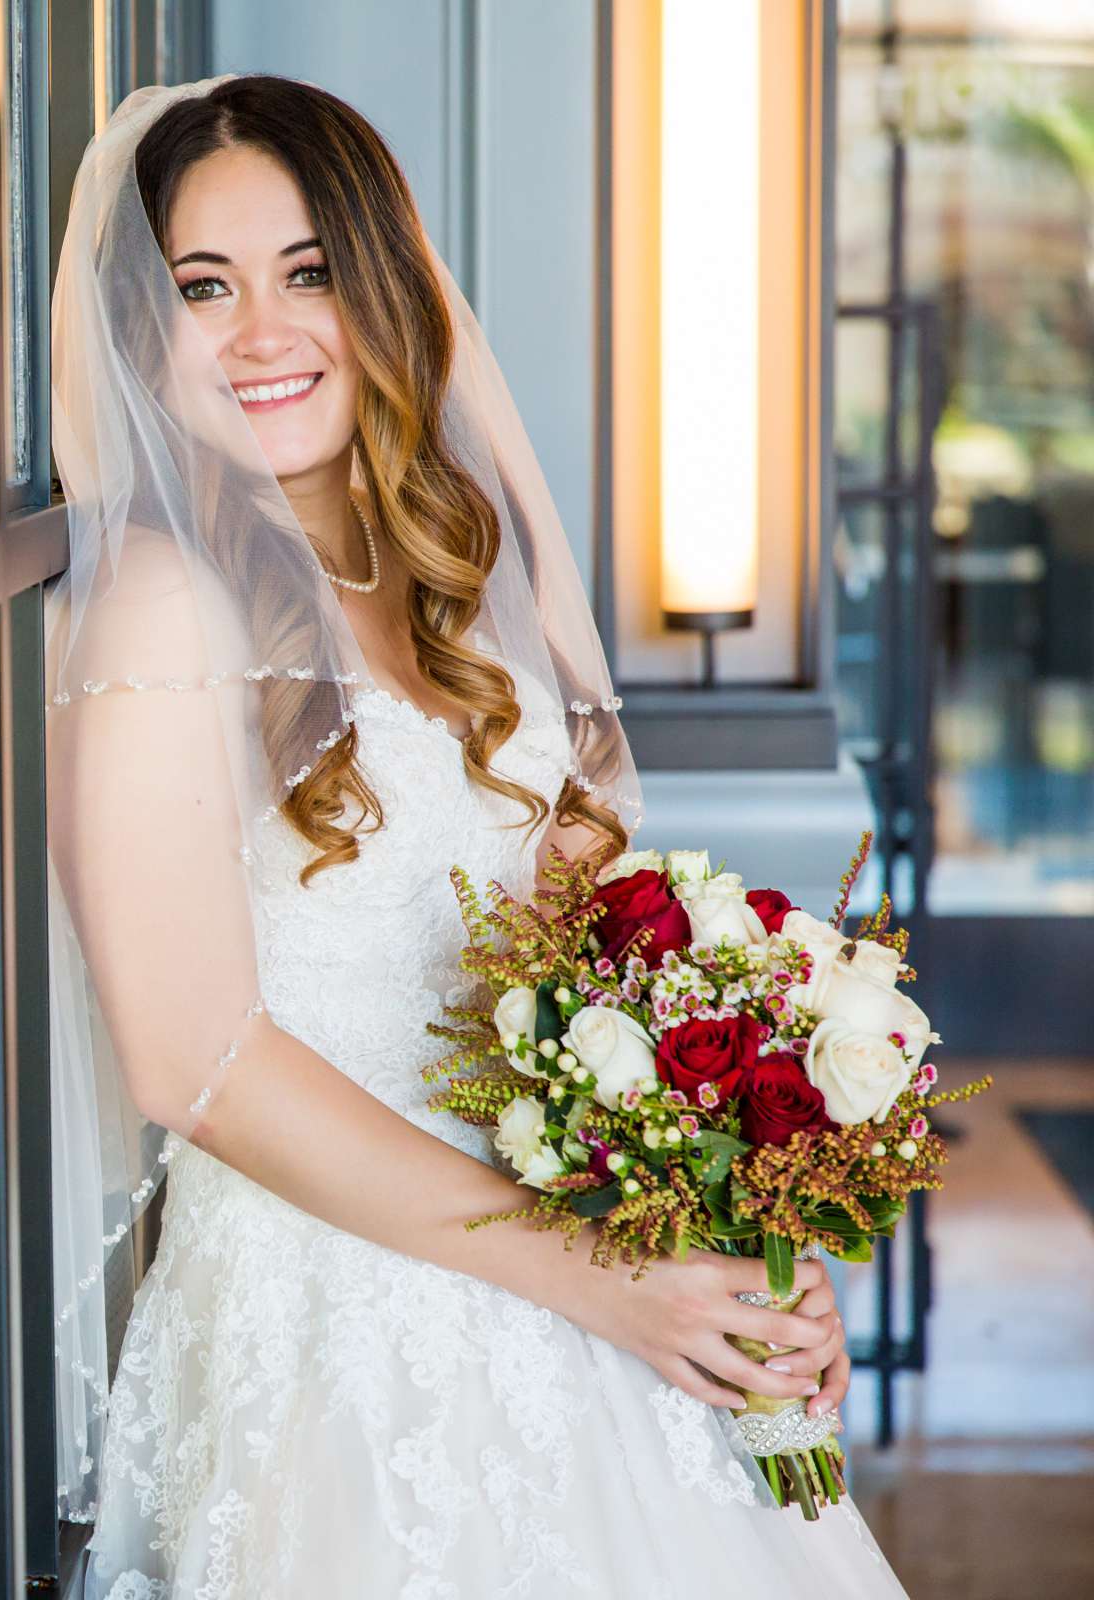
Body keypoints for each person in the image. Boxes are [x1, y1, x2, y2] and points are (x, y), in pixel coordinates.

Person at [44, 74, 907, 1596]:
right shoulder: (158, 605)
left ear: (384, 286)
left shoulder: (455, 562)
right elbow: (195, 1060)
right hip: (343, 1307)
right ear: (139, 331)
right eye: (204, 286)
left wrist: (730, 1256)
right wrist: (598, 1280)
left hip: (587, 1267)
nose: (262, 330)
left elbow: (603, 957)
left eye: (308, 271)